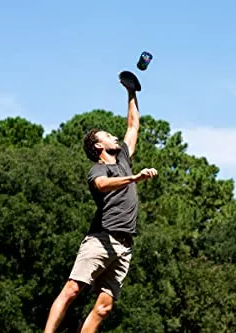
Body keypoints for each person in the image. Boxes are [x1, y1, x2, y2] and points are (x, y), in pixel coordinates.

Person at [44, 74, 157, 333]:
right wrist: (135, 178)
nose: (113, 135)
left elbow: (133, 126)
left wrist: (131, 93)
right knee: (72, 290)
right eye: (107, 134)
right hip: (101, 239)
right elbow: (101, 186)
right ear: (98, 145)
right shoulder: (97, 170)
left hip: (125, 245)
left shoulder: (124, 159)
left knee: (104, 308)